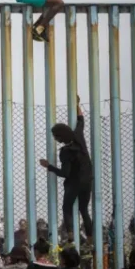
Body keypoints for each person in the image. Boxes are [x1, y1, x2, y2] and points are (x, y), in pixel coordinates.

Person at [39, 95, 93, 248]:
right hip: (87, 180)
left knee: (67, 208)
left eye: (56, 136)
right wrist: (77, 104)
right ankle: (90, 239)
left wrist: (49, 166)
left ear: (61, 137)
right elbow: (81, 120)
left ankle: (70, 236)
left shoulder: (65, 152)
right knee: (84, 209)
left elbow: (65, 173)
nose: (55, 139)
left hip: (74, 183)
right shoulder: (78, 137)